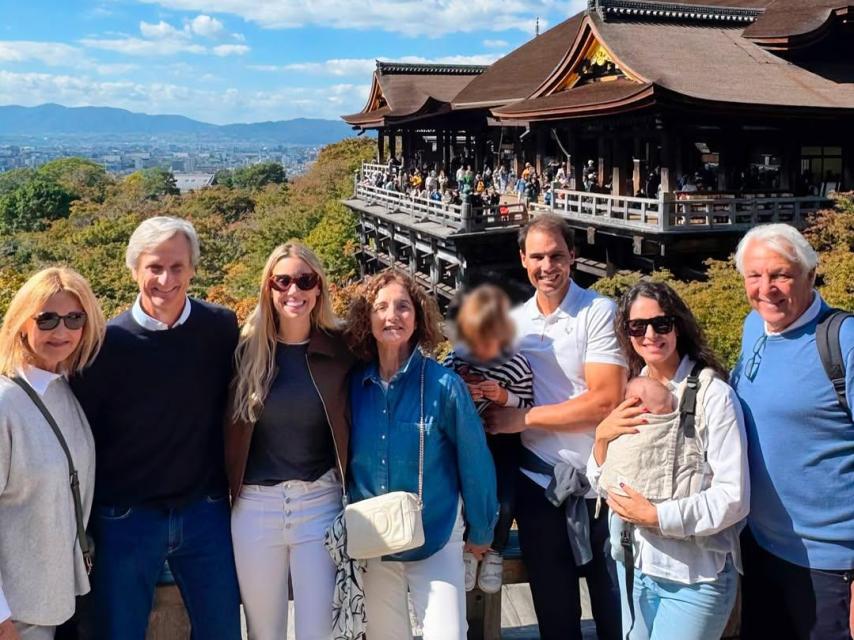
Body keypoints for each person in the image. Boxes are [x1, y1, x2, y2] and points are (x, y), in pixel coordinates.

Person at [71, 216, 241, 640]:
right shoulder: (103, 344)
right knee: (120, 632)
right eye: (155, 267)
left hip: (204, 511)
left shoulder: (219, 328)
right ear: (134, 270)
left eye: (177, 267)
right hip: (127, 516)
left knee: (221, 630)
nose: (166, 279)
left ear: (193, 269)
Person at [485, 214, 625, 640]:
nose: (548, 266)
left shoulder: (597, 311)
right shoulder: (514, 322)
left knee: (616, 613)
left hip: (602, 486)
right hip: (539, 483)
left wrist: (522, 418)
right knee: (555, 613)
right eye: (538, 257)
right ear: (523, 260)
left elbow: (605, 400)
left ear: (574, 257)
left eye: (557, 256)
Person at [589, 281, 749, 640]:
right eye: (637, 326)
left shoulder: (714, 395)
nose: (649, 335)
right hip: (634, 564)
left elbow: (734, 497)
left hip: (694, 576)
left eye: (661, 324)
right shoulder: (636, 388)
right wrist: (601, 439)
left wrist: (658, 516)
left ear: (678, 325)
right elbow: (606, 476)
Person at [345, 270, 498, 640]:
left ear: (419, 317)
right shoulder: (353, 386)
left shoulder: (444, 385)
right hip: (374, 541)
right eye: (380, 307)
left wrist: (481, 529)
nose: (391, 315)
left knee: (448, 633)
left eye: (402, 306)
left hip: (435, 532)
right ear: (368, 319)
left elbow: (474, 460)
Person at [225, 243, 354, 640]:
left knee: (318, 632)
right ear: (268, 287)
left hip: (320, 502)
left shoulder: (342, 348)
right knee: (265, 632)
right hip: (254, 507)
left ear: (319, 289)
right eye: (282, 281)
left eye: (304, 280)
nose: (293, 290)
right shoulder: (242, 350)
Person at [730, 224, 854, 640]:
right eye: (754, 276)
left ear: (810, 274)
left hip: (829, 564)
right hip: (761, 546)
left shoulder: (844, 342)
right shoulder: (753, 328)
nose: (767, 289)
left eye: (781, 274)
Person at [0, 268, 105, 640]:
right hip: (17, 613)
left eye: (74, 318)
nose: (61, 332)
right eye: (46, 319)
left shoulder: (63, 390)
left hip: (56, 602)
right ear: (21, 323)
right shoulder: (5, 403)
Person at [443, 284, 534, 594]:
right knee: (465, 495)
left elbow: (527, 402)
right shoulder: (457, 361)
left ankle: (494, 549)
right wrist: (461, 392)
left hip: (503, 440)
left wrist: (504, 396)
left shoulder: (515, 363)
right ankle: (470, 549)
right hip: (467, 441)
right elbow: (440, 391)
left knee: (505, 497)